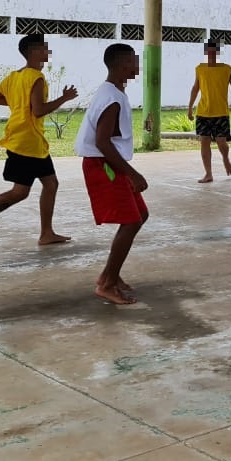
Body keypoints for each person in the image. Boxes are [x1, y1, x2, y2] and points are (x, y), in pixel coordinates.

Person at [0, 33, 78, 250]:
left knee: (51, 184)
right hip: (27, 142)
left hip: (32, 142)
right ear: (33, 52)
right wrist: (64, 98)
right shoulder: (36, 77)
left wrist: (19, 106)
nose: (47, 52)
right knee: (19, 192)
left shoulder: (14, 76)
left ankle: (46, 233)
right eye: (44, 48)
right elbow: (39, 111)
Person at [76, 43, 149, 305]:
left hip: (109, 163)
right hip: (104, 165)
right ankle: (107, 283)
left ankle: (110, 275)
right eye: (132, 61)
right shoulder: (111, 98)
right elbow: (103, 142)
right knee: (131, 221)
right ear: (120, 66)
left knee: (140, 215)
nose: (137, 65)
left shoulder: (114, 92)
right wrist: (132, 174)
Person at [187, 39, 231, 183]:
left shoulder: (226, 69)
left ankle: (225, 158)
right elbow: (195, 88)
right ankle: (208, 173)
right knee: (204, 142)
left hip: (221, 112)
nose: (211, 54)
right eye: (209, 51)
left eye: (214, 51)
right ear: (206, 52)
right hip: (203, 112)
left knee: (221, 142)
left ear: (218, 52)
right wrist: (190, 107)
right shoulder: (200, 68)